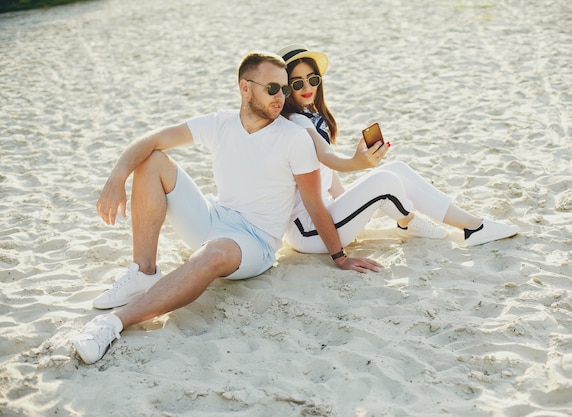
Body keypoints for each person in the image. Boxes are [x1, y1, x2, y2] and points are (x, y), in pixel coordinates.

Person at [72, 51, 382, 364]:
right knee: (152, 160)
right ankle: (143, 271)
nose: (281, 97)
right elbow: (152, 139)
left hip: (254, 242)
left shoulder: (294, 138)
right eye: (272, 88)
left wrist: (339, 257)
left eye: (285, 89)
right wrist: (116, 178)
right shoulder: (220, 123)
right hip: (214, 217)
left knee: (215, 252)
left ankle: (113, 323)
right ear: (245, 88)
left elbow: (315, 203)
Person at [275, 44, 520, 254]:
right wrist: (357, 163)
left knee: (396, 169)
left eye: (313, 79)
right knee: (384, 179)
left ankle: (473, 225)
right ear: (285, 88)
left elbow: (328, 175)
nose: (307, 87)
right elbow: (328, 158)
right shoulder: (296, 123)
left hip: (330, 216)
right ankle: (408, 221)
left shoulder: (310, 116)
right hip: (309, 231)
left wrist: (351, 203)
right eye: (297, 83)